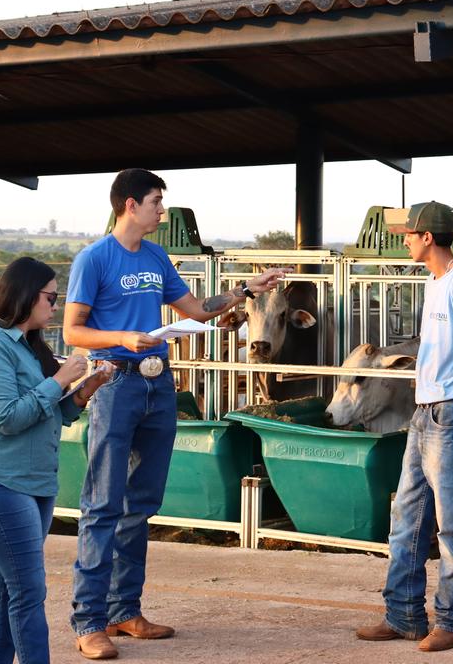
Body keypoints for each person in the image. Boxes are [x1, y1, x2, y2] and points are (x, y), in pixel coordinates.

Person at [65, 168, 288, 660]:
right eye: (155, 202)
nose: (161, 211)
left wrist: (248, 290)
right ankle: (89, 621)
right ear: (129, 205)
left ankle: (125, 610)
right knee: (103, 503)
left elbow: (197, 309)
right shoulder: (94, 259)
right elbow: (73, 332)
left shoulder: (155, 256)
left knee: (141, 503)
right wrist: (121, 338)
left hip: (157, 382)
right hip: (114, 383)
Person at [355, 201, 453, 652]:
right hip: (426, 415)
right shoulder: (435, 282)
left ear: (429, 238)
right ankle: (403, 615)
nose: (404, 240)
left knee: (452, 524)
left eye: (409, 234)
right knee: (407, 518)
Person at [0, 257, 115, 664]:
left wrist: (88, 386)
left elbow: (59, 412)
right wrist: (60, 380)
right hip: (1, 485)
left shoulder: (32, 348)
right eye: (50, 297)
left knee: (8, 589)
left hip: (36, 484)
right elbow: (9, 419)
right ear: (27, 296)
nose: (55, 305)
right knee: (29, 592)